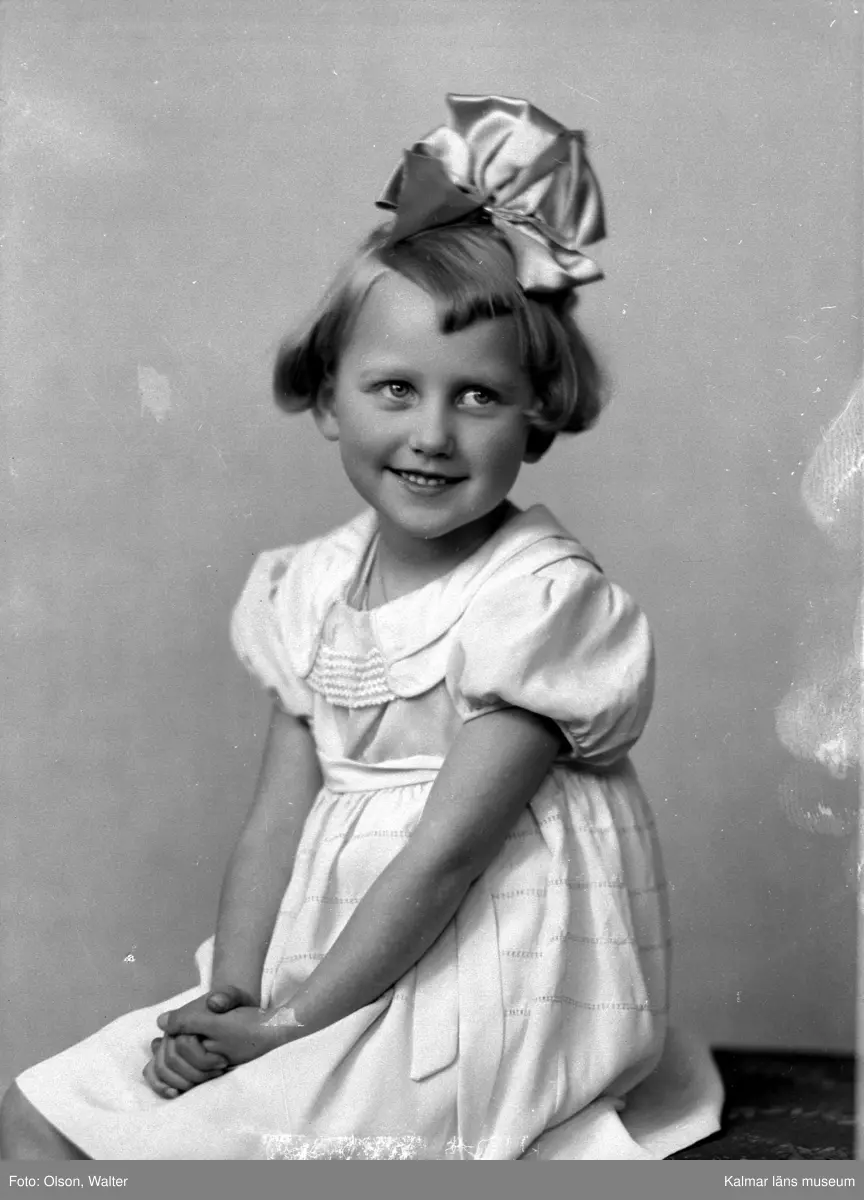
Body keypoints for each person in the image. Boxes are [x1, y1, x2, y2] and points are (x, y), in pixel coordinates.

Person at [1, 94, 722, 1161]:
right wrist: (236, 997)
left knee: (243, 1149)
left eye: (478, 397)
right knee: (53, 1113)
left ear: (535, 420)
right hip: (332, 958)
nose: (431, 434)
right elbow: (275, 821)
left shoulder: (535, 602)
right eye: (394, 388)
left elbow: (447, 856)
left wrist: (288, 1030)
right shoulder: (309, 588)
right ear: (330, 400)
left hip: (490, 972)